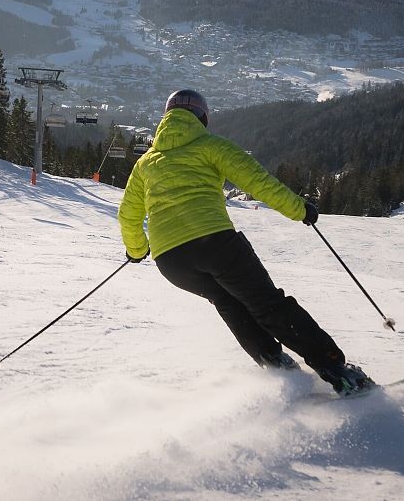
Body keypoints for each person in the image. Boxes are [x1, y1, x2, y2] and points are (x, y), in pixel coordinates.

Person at [118, 88, 374, 396]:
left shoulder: (146, 163)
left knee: (227, 301)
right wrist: (300, 209)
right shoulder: (210, 146)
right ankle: (335, 368)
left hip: (171, 262)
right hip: (215, 244)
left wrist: (137, 250)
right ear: (203, 118)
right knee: (267, 304)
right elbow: (258, 181)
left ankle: (277, 367)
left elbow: (128, 215)